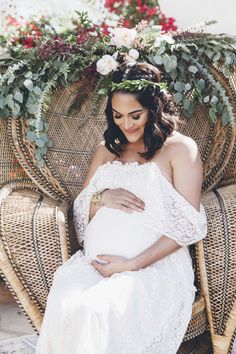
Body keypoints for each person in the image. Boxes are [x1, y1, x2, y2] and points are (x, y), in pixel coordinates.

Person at [35, 62, 207, 354]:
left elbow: (188, 225)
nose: (126, 124)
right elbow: (80, 212)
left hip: (152, 269)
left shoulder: (180, 149)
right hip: (94, 266)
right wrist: (102, 198)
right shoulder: (106, 149)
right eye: (118, 116)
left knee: (98, 311)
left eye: (135, 115)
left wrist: (130, 264)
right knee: (67, 302)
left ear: (154, 109)